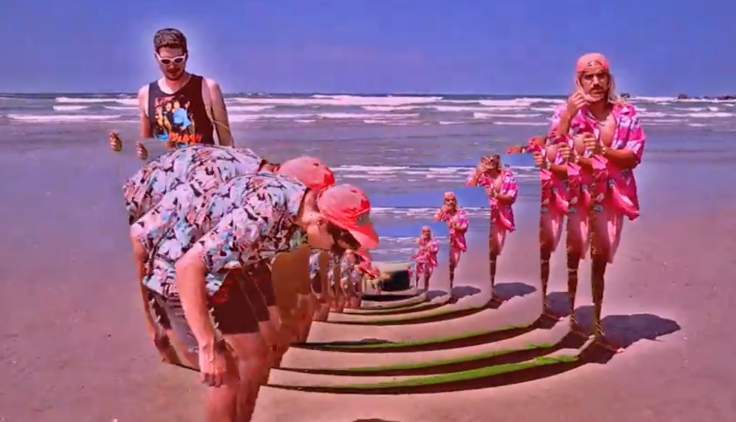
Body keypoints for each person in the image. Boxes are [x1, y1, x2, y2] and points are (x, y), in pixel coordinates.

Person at [130, 174, 377, 422]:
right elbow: (188, 266)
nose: (343, 251)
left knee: (256, 355)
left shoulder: (301, 209)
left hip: (222, 271)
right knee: (224, 376)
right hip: (176, 273)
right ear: (321, 221)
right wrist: (207, 345)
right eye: (342, 244)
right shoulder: (262, 215)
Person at [548, 53, 645, 350]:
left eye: (600, 75)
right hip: (576, 194)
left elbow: (633, 156)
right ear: (578, 81)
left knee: (600, 258)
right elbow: (552, 155)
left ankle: (598, 329)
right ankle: (573, 325)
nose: (595, 82)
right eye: (588, 77)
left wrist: (602, 150)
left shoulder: (625, 114)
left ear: (608, 78)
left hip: (610, 194)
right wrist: (567, 117)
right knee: (573, 255)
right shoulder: (566, 113)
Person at [130, 28, 234, 160]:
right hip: (163, 169)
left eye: (178, 60)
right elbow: (146, 147)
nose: (172, 66)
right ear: (156, 57)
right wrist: (124, 148)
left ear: (187, 56)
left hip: (202, 168)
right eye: (165, 61)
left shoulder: (207, 87)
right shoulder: (145, 93)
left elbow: (227, 143)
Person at [508, 137, 568, 316]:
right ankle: (541, 300)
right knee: (541, 253)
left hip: (556, 202)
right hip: (536, 204)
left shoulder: (564, 146)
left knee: (545, 252)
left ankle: (543, 301)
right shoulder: (529, 150)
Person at [466, 154, 518, 300]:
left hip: (500, 218)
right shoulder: (476, 175)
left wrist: (495, 194)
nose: (490, 160)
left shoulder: (507, 176)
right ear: (481, 160)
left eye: (493, 157)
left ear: (498, 159)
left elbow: (511, 198)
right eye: (486, 158)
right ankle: (487, 288)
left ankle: (489, 287)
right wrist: (477, 176)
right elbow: (468, 195)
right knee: (485, 252)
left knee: (493, 251)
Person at [434, 192, 468, 292]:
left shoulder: (461, 213)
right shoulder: (440, 212)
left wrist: (453, 226)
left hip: (456, 242)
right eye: (448, 200)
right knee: (447, 266)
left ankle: (449, 286)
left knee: (453, 264)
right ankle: (448, 289)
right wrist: (441, 213)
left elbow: (464, 228)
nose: (450, 202)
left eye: (452, 200)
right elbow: (434, 225)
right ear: (444, 201)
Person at [411, 226, 439, 292]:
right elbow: (417, 244)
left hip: (430, 258)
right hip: (422, 257)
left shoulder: (433, 240)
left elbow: (436, 249)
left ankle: (426, 288)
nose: (427, 233)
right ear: (422, 232)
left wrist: (429, 249)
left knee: (428, 274)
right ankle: (416, 285)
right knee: (418, 272)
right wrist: (422, 247)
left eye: (428, 231)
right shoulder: (421, 239)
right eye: (425, 231)